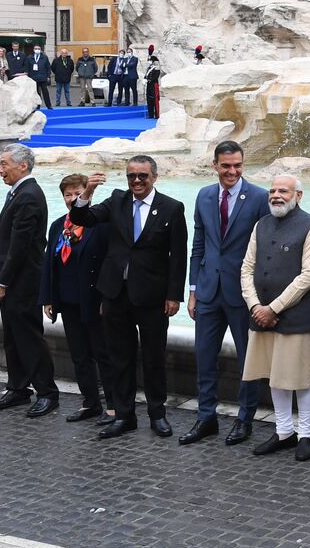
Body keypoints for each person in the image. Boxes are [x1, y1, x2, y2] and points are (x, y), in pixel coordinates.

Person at [68, 156, 188, 440]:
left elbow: (178, 255)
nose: (137, 181)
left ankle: (157, 414)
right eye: (131, 176)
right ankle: (124, 416)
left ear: (154, 177)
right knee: (119, 358)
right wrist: (88, 191)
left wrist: (174, 295)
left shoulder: (171, 207)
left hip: (152, 296)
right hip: (115, 294)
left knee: (153, 358)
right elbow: (82, 218)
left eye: (142, 176)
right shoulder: (116, 200)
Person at [182, 141, 270, 447]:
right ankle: (206, 416)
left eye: (237, 165)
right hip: (208, 291)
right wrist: (193, 289)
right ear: (215, 166)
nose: (232, 171)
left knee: (249, 360)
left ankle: (245, 419)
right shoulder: (204, 195)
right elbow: (199, 244)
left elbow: (265, 249)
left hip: (244, 295)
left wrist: (260, 297)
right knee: (204, 357)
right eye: (226, 166)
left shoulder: (259, 197)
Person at [241, 175, 310, 462]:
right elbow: (246, 268)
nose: (276, 195)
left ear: (298, 195)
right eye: (273, 190)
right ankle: (284, 431)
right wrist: (255, 306)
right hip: (261, 313)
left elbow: (309, 275)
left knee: (302, 375)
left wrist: (273, 308)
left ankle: (306, 434)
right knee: (274, 373)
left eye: (284, 191)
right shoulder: (260, 225)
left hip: (296, 315)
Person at [0, 144, 59, 418]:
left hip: (24, 282)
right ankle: (18, 388)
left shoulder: (28, 196)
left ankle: (47, 392)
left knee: (29, 337)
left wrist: (2, 282)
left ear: (23, 165)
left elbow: (20, 246)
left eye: (4, 164)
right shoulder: (19, 192)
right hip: (15, 280)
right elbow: (5, 242)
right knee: (13, 337)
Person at [39, 174, 114, 424]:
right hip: (68, 299)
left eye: (77, 193)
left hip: (94, 300)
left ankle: (114, 405)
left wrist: (107, 299)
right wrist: (48, 298)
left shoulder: (102, 224)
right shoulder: (58, 225)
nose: (72, 199)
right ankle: (90, 402)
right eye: (68, 194)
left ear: (88, 194)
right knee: (79, 355)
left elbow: (109, 263)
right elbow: (49, 264)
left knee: (103, 354)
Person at [145, 54, 162, 119]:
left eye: (150, 60)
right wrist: (145, 79)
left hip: (154, 85)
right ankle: (150, 114)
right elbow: (146, 75)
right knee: (149, 99)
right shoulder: (148, 68)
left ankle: (157, 115)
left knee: (155, 99)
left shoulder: (157, 68)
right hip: (149, 85)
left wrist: (149, 80)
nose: (149, 61)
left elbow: (155, 77)